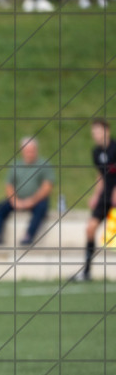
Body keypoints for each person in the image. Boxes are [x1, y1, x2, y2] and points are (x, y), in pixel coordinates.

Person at [0, 137, 55, 246]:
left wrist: (32, 201)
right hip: (17, 199)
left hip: (37, 200)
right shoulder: (15, 165)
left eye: (31, 150)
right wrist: (14, 200)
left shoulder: (44, 164)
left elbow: (47, 186)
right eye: (27, 151)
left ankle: (28, 236)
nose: (29, 153)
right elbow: (9, 185)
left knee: (42, 208)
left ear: (36, 150)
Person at [75, 119, 116, 281]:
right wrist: (95, 195)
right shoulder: (96, 152)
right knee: (90, 228)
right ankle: (86, 272)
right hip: (105, 196)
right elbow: (100, 176)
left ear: (107, 130)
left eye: (98, 131)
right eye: (93, 133)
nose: (96, 135)